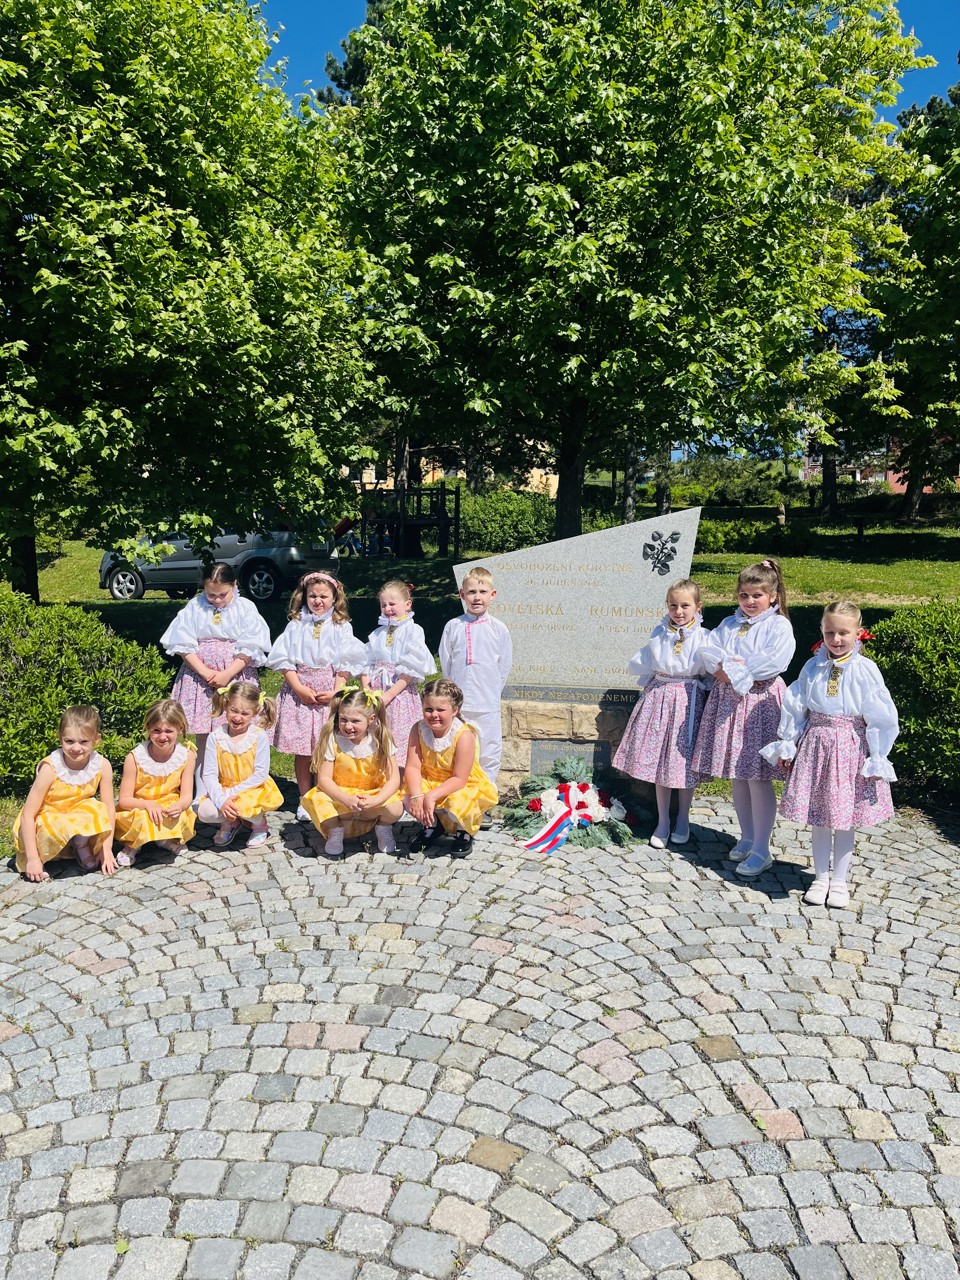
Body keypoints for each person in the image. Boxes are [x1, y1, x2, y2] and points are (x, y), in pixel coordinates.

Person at [761, 601, 898, 907]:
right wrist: (788, 742)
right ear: (822, 631)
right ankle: (821, 877)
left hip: (849, 749)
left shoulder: (865, 670)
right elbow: (796, 705)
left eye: (843, 633)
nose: (836, 639)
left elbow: (881, 714)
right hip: (816, 746)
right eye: (830, 632)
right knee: (821, 816)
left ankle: (840, 881)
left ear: (858, 633)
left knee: (844, 819)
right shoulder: (812, 667)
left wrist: (878, 754)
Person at [693, 558, 796, 878]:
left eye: (757, 596)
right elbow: (709, 650)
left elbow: (772, 661)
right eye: (744, 595)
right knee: (738, 773)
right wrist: (723, 667)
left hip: (759, 704)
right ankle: (747, 836)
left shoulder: (778, 626)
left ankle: (762, 848)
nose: (750, 601)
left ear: (773, 596)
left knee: (757, 776)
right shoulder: (729, 623)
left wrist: (737, 668)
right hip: (729, 702)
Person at [613, 578, 711, 847]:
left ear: (698, 607)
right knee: (661, 760)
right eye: (673, 605)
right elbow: (648, 664)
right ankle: (663, 820)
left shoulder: (704, 637)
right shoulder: (659, 633)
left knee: (683, 761)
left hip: (688, 701)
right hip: (660, 698)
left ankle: (683, 817)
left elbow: (710, 672)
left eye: (685, 606)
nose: (679, 611)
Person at [266, 571, 367, 821]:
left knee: (327, 748)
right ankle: (304, 796)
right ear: (304, 597)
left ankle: (325, 793)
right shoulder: (296, 624)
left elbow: (346, 661)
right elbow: (283, 658)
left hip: (327, 690)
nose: (318, 601)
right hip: (300, 690)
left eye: (323, 596)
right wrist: (298, 687)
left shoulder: (341, 626)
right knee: (303, 750)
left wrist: (337, 690)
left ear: (334, 598)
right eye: (312, 596)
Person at [159, 563, 271, 775]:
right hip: (199, 678)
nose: (217, 600)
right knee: (204, 734)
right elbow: (182, 643)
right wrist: (204, 672)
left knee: (235, 730)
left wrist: (227, 674)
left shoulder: (245, 608)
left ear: (234, 585)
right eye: (211, 595)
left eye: (223, 595)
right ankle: (202, 784)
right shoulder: (195, 607)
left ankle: (235, 778)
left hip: (235, 675)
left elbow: (252, 645)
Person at [14, 705, 117, 882]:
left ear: (96, 740)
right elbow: (27, 815)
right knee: (56, 824)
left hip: (77, 814)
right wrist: (32, 859)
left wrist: (106, 848)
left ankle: (80, 843)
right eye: (69, 741)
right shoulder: (51, 768)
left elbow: (109, 807)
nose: (76, 748)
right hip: (50, 816)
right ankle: (51, 853)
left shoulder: (102, 765)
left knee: (98, 808)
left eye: (83, 741)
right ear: (59, 737)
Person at [302, 687, 403, 857]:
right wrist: (346, 799)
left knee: (395, 807)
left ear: (371, 719)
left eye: (355, 721)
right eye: (343, 720)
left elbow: (394, 779)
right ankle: (336, 830)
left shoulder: (381, 739)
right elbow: (324, 780)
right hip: (341, 796)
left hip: (370, 796)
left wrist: (375, 800)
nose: (348, 726)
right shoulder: (333, 739)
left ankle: (383, 827)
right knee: (315, 799)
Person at [402, 679, 498, 857]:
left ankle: (464, 831)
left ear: (454, 710)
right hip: (431, 778)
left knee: (457, 801)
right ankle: (432, 825)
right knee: (407, 795)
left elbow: (460, 778)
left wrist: (431, 796)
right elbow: (413, 766)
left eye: (440, 710)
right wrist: (417, 795)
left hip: (460, 783)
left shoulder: (463, 735)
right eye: (428, 709)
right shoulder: (418, 729)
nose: (434, 715)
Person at [439, 567, 512, 784]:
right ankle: (457, 791)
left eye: (482, 592)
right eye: (471, 592)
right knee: (457, 746)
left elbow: (504, 666)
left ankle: (486, 792)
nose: (477, 597)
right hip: (459, 703)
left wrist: (492, 692)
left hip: (487, 702)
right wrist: (452, 696)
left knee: (488, 749)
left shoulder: (499, 629)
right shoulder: (453, 626)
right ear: (462, 595)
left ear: (492, 594)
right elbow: (446, 662)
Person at [197, 683, 283, 849]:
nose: (238, 717)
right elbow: (209, 774)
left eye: (244, 713)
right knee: (205, 812)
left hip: (252, 788)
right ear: (225, 706)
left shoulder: (258, 736)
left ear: (255, 713)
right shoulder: (216, 737)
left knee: (243, 805)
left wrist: (231, 793)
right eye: (234, 711)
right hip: (225, 788)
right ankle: (231, 821)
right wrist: (221, 798)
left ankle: (259, 825)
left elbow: (260, 774)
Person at [362, 579, 436, 771]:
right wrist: (366, 688)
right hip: (376, 695)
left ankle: (401, 781)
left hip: (399, 694)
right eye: (383, 605)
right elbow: (366, 662)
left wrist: (389, 695)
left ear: (407, 604)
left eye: (392, 604)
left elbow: (410, 670)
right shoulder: (377, 633)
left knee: (399, 740)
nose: (388, 609)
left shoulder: (412, 631)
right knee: (375, 738)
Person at [114, 699, 197, 867]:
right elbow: (124, 800)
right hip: (140, 805)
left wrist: (179, 806)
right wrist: (147, 804)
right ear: (148, 728)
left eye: (169, 731)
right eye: (156, 731)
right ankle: (133, 845)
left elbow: (187, 795)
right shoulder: (135, 757)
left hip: (168, 804)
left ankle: (163, 840)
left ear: (180, 728)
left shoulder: (187, 756)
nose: (162, 737)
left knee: (179, 814)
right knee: (143, 818)